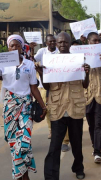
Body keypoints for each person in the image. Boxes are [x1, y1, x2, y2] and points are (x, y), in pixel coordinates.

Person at [40, 32, 90, 180]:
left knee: (77, 143)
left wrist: (87, 73)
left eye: (65, 42)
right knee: (55, 146)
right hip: (57, 107)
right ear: (55, 43)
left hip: (75, 106)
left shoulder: (79, 60)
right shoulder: (50, 60)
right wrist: (42, 73)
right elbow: (47, 85)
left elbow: (85, 85)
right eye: (59, 42)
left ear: (69, 43)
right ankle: (51, 176)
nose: (62, 45)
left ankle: (78, 168)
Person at [1, 34, 47, 180]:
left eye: (17, 45)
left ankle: (20, 174)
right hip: (9, 106)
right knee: (14, 144)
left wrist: (43, 106)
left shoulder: (29, 65)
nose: (14, 48)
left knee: (24, 143)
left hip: (26, 106)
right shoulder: (2, 63)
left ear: (22, 47)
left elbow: (34, 88)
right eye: (11, 46)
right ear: (8, 48)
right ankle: (23, 176)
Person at [85, 31, 101, 163]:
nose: (96, 43)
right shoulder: (82, 57)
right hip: (87, 95)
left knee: (99, 123)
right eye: (94, 41)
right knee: (91, 124)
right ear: (88, 42)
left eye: (98, 41)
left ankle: (97, 152)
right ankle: (95, 145)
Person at [33, 34, 58, 139]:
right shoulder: (42, 52)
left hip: (57, 84)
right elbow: (32, 60)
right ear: (46, 43)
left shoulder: (59, 51)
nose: (52, 43)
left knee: (58, 108)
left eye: (54, 41)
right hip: (44, 85)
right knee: (46, 108)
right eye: (50, 41)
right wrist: (31, 49)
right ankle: (51, 130)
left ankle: (61, 133)